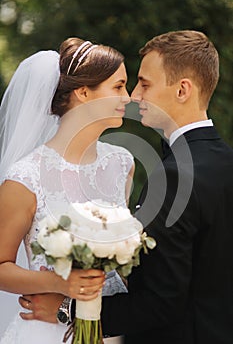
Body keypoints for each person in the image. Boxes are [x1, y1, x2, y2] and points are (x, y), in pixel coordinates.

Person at [22, 30, 233, 344]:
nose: (135, 96)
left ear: (182, 90)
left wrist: (67, 307)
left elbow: (161, 302)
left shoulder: (173, 177)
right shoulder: (225, 161)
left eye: (145, 84)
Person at [0, 37, 134, 343]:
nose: (127, 97)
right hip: (46, 333)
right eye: (118, 86)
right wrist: (61, 283)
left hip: (109, 331)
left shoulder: (122, 164)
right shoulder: (25, 177)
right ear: (84, 92)